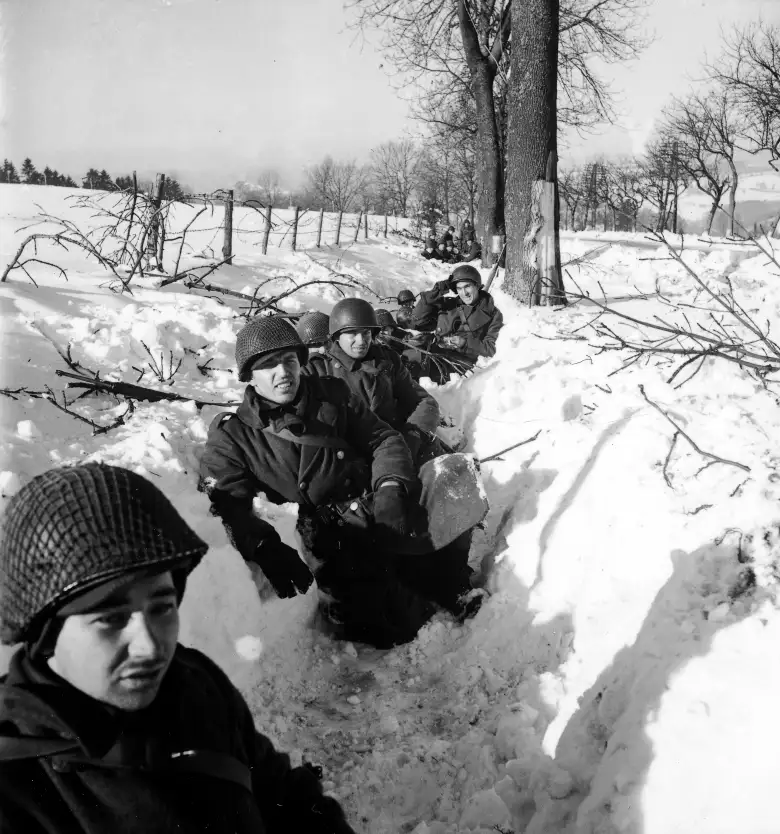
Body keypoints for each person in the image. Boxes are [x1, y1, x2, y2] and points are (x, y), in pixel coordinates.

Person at [0, 462, 356, 834]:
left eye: (161, 607)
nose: (150, 645)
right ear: (45, 630)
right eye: (111, 618)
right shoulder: (14, 792)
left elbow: (281, 792)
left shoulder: (195, 683)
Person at [199, 316, 484, 649]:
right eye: (269, 365)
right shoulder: (234, 436)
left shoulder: (332, 395)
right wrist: (263, 545)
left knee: (450, 487)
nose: (283, 373)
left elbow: (382, 438)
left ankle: (454, 584)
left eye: (290, 361)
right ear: (250, 376)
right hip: (334, 532)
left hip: (373, 500)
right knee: (394, 628)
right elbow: (228, 503)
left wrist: (390, 487)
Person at [305, 298, 442, 467]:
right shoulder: (317, 370)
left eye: (366, 333)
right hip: (349, 463)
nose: (361, 341)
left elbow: (423, 401)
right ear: (337, 336)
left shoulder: (387, 360)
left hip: (399, 449)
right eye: (352, 333)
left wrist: (413, 437)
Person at [411, 264, 504, 368]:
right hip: (434, 354)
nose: (464, 293)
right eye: (459, 288)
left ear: (477, 286)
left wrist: (465, 343)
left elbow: (491, 349)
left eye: (467, 286)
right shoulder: (448, 305)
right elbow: (417, 321)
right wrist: (436, 292)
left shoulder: (493, 314)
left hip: (459, 365)